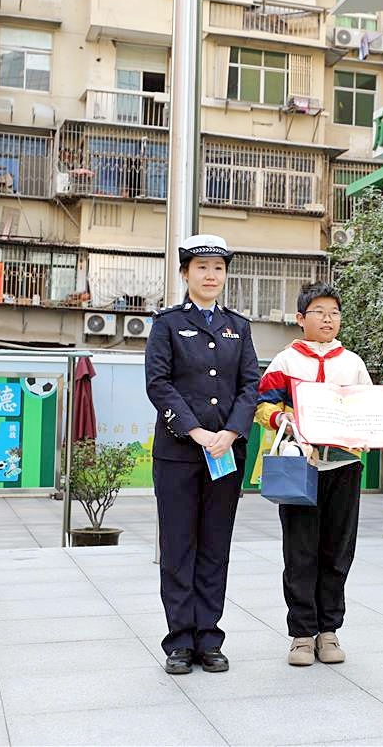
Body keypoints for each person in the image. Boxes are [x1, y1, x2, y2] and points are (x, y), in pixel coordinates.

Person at [145, 234, 259, 675]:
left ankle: (209, 638)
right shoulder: (167, 324)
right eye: (202, 267)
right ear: (185, 273)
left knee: (215, 545)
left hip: (226, 453)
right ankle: (179, 641)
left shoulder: (238, 327)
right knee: (178, 547)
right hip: (178, 453)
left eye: (218, 268)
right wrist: (195, 430)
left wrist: (230, 432)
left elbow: (250, 384)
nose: (211, 275)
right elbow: (159, 383)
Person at [255, 282, 372, 667]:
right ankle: (302, 635)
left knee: (337, 550)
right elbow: (262, 405)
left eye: (334, 313)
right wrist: (281, 418)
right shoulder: (285, 361)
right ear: (300, 318)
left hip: (344, 465)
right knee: (300, 550)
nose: (327, 319)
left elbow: (368, 408)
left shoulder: (353, 363)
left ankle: (329, 631)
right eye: (319, 312)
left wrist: (371, 431)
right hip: (300, 468)